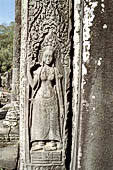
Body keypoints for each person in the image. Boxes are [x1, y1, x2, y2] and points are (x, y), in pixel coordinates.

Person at [27, 46, 64, 151]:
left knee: (52, 120)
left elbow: (60, 90)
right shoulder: (39, 70)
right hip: (40, 98)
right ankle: (40, 142)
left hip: (52, 98)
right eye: (46, 56)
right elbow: (33, 85)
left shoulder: (55, 70)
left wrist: (61, 107)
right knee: (40, 120)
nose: (48, 58)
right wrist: (28, 71)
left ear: (53, 58)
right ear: (42, 57)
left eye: (50, 56)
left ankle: (53, 142)